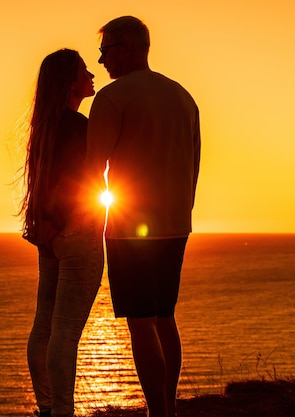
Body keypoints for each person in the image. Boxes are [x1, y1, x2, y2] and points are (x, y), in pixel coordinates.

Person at [86, 16, 201, 417]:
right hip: (175, 223)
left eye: (105, 52)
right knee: (165, 317)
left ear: (128, 49)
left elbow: (91, 167)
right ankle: (167, 407)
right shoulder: (183, 97)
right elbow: (195, 166)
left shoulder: (114, 98)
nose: (101, 62)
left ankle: (159, 413)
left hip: (128, 228)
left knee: (140, 321)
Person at [21, 48, 105, 417]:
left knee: (45, 326)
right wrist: (62, 217)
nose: (91, 75)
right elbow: (78, 181)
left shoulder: (45, 127)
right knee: (66, 331)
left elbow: (47, 181)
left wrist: (47, 222)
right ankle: (62, 411)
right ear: (70, 82)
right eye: (84, 71)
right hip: (77, 231)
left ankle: (46, 405)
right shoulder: (77, 126)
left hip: (51, 236)